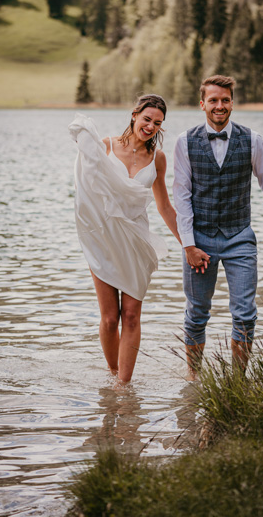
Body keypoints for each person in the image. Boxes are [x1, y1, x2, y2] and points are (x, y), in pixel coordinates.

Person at [173, 75, 263, 374]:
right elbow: (182, 197)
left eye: (225, 100)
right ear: (202, 104)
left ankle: (237, 382)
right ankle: (194, 378)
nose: (219, 106)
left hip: (239, 236)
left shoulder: (253, 140)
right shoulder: (183, 142)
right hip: (199, 240)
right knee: (197, 313)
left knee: (244, 313)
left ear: (232, 103)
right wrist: (188, 245)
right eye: (213, 100)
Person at [69, 94, 180, 383]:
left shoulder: (158, 159)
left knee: (131, 316)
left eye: (157, 123)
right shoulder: (105, 146)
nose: (151, 126)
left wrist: (188, 243)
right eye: (147, 119)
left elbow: (164, 206)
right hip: (103, 241)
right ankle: (113, 373)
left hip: (135, 242)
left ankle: (123, 386)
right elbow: (84, 190)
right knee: (109, 318)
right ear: (134, 115)